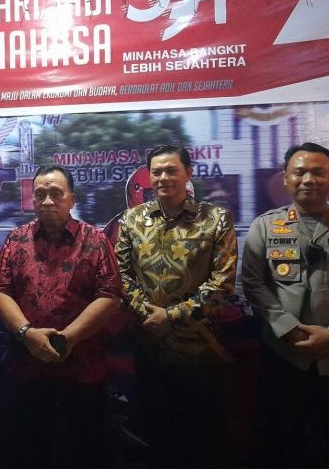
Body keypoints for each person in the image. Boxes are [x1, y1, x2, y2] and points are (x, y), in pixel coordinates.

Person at [241, 142, 329, 469]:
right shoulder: (264, 226)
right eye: (299, 172)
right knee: (282, 446)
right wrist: (286, 328)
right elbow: (254, 284)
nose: (308, 179)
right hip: (284, 358)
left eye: (318, 172)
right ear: (285, 178)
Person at [0, 165, 122, 469]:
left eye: (56, 193)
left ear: (72, 199)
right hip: (27, 364)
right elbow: (0, 290)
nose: (47, 201)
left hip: (82, 365)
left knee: (86, 449)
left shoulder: (95, 240)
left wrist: (68, 338)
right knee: (28, 450)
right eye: (40, 194)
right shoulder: (16, 239)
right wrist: (27, 334)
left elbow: (110, 294)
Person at [116, 144, 237, 469]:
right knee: (157, 436)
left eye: (171, 170)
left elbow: (222, 283)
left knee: (203, 438)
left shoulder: (215, 219)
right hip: (149, 346)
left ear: (188, 173)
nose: (163, 178)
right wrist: (149, 316)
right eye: (157, 172)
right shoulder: (132, 219)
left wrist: (171, 316)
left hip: (200, 349)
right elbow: (121, 277)